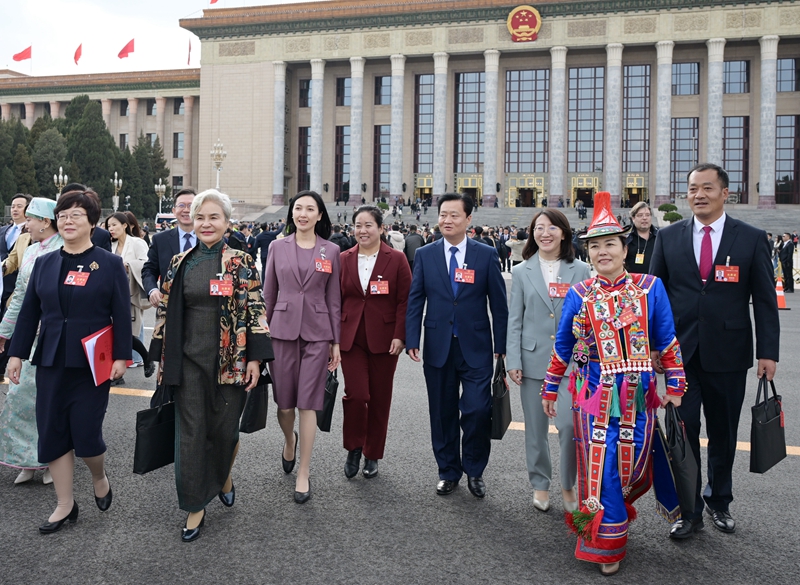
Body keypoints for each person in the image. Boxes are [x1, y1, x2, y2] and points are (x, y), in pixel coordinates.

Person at [543, 192, 685, 576]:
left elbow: (667, 339)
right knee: (601, 468)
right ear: (587, 253)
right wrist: (551, 388)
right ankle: (607, 544)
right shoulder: (579, 294)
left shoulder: (649, 288)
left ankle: (614, 516)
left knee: (632, 465)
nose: (602, 252)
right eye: (595, 246)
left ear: (625, 249)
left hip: (638, 399)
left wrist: (674, 385)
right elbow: (563, 346)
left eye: (610, 244)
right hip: (592, 399)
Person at [650, 163, 779, 539]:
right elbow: (656, 296)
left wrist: (767, 352)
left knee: (723, 433)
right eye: (692, 189)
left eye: (707, 188)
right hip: (680, 356)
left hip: (729, 353)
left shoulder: (751, 237)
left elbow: (765, 300)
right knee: (682, 433)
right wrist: (656, 346)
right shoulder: (669, 236)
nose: (699, 195)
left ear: (726, 193)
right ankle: (688, 511)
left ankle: (719, 500)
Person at [149, 189, 273, 542]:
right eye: (200, 216)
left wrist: (255, 358)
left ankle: (222, 475)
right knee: (190, 434)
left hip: (230, 362)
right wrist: (159, 356)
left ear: (227, 223)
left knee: (223, 432)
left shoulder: (241, 262)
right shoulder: (179, 262)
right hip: (187, 360)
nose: (206, 223)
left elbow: (255, 309)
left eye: (213, 217)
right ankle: (194, 504)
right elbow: (164, 312)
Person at [7, 189, 131, 534]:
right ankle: (65, 505)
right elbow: (30, 313)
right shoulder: (44, 263)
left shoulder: (108, 264)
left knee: (88, 435)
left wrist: (122, 355)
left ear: (93, 222)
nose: (68, 220)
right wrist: (15, 354)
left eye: (77, 214)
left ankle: (98, 475)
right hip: (49, 359)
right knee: (53, 432)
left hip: (92, 362)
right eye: (62, 215)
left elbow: (121, 313)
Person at [406, 193, 508, 498]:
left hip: (476, 344)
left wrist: (500, 345)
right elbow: (415, 299)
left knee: (477, 409)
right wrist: (412, 337)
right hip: (437, 343)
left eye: (454, 215)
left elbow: (499, 306)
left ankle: (474, 470)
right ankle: (448, 471)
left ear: (468, 220)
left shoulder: (485, 254)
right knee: (442, 411)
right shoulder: (426, 254)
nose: (447, 220)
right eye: (443, 215)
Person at [506, 209, 590, 513]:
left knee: (569, 427)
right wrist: (512, 359)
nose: (545, 233)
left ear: (564, 233)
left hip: (570, 365)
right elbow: (515, 320)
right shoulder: (521, 271)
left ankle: (568, 484)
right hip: (532, 360)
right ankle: (540, 483)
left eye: (552, 227)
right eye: (539, 228)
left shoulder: (580, 270)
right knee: (536, 429)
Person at [262, 190, 341, 504]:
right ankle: (289, 440)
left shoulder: (331, 250)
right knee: (284, 404)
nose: (303, 214)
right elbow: (269, 293)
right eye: (298, 208)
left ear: (320, 215)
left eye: (310, 209)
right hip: (280, 331)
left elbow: (334, 299)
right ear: (291, 213)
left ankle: (304, 471)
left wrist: (336, 341)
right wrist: (259, 339)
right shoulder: (276, 247)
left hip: (318, 334)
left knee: (309, 403)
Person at [339, 206, 411, 479]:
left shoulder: (397, 259)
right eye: (358, 225)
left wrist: (400, 334)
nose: (362, 230)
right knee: (356, 395)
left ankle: (373, 453)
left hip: (385, 339)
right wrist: (334, 339)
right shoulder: (344, 258)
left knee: (380, 399)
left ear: (381, 228)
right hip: (351, 337)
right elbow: (336, 299)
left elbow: (405, 300)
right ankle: (354, 447)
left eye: (368, 225)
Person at [0, 198, 62, 485]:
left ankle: (51, 460)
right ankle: (26, 459)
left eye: (32, 218)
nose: (27, 224)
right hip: (29, 337)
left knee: (49, 400)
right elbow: (21, 298)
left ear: (45, 222)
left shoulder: (64, 249)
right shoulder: (31, 249)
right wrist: (5, 331)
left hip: (55, 338)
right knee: (19, 396)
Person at [106, 212, 150, 370]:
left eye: (114, 225)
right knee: (120, 321)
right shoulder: (110, 245)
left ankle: (138, 357)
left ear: (125, 225)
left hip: (132, 286)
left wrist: (128, 265)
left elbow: (146, 262)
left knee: (136, 320)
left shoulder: (137, 242)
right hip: (114, 288)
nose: (111, 228)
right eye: (109, 226)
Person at [142, 188, 197, 310]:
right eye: (181, 205)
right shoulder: (160, 240)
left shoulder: (209, 238)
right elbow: (149, 270)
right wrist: (152, 290)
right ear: (174, 210)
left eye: (191, 205)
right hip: (169, 306)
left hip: (202, 309)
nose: (186, 210)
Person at [0, 194, 31, 380]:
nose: (15, 209)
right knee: (6, 326)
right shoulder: (18, 236)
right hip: (8, 289)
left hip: (26, 291)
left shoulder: (51, 242)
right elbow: (11, 260)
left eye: (20, 206)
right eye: (13, 206)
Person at [624, 202, 658, 273]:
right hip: (632, 281)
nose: (644, 218)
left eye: (647, 215)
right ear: (633, 218)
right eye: (640, 215)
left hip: (655, 281)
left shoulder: (659, 236)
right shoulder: (626, 238)